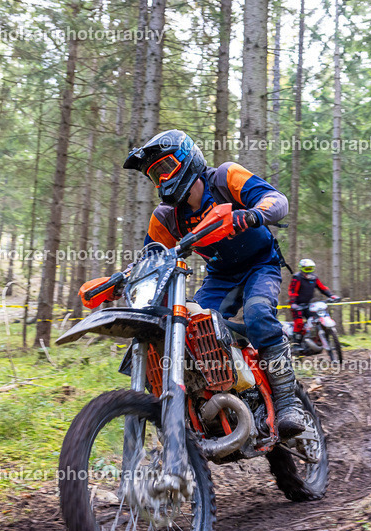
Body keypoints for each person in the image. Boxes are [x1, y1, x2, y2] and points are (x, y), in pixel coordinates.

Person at [123, 130, 306, 436]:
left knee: (259, 313)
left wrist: (251, 215)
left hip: (261, 264)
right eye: (155, 175)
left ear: (187, 158)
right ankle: (221, 395)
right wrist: (127, 275)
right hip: (221, 276)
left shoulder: (225, 178)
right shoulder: (167, 217)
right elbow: (150, 258)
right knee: (191, 330)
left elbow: (277, 200)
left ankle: (288, 403)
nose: (163, 179)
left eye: (166, 168)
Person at [288, 259, 338, 348]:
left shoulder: (314, 278)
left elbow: (322, 288)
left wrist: (331, 296)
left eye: (310, 268)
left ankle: (315, 339)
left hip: (308, 305)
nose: (308, 271)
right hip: (297, 305)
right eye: (306, 269)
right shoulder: (297, 277)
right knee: (299, 322)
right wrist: (293, 303)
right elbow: (292, 291)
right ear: (302, 268)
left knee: (315, 320)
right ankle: (296, 344)